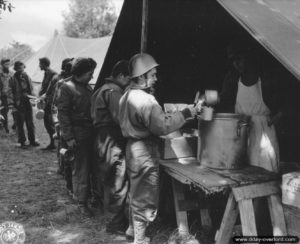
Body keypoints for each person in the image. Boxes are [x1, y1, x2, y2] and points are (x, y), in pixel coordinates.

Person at [119, 53, 201, 244]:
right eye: (153, 74)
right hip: (145, 151)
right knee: (146, 196)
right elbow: (161, 127)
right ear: (141, 77)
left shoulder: (126, 95)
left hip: (132, 148)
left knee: (136, 191)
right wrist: (186, 113)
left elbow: (142, 120)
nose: (156, 78)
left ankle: (132, 230)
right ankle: (139, 240)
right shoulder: (146, 100)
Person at [219, 43, 282, 173]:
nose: (236, 64)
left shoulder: (265, 79)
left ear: (248, 57)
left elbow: (287, 101)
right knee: (242, 173)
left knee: (265, 171)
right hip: (242, 133)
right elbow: (223, 99)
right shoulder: (233, 79)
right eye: (233, 61)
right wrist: (209, 97)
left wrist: (278, 116)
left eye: (239, 59)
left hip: (263, 133)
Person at [91, 60, 130, 234]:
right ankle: (115, 225)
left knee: (109, 180)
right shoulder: (113, 92)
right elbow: (120, 119)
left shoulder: (102, 88)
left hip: (102, 139)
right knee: (117, 181)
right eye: (129, 78)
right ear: (121, 75)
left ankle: (110, 217)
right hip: (112, 139)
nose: (130, 82)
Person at [57, 57, 97, 217]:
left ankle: (92, 197)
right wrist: (69, 138)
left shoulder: (86, 87)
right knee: (81, 169)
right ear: (80, 73)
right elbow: (63, 114)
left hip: (90, 132)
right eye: (90, 73)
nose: (92, 77)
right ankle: (81, 202)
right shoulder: (66, 87)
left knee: (91, 168)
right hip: (77, 134)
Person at [7, 61, 39, 148]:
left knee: (30, 122)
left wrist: (34, 98)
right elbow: (9, 93)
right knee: (20, 123)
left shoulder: (27, 76)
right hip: (18, 103)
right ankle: (22, 141)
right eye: (19, 68)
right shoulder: (12, 79)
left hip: (27, 102)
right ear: (16, 69)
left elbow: (31, 88)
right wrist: (12, 105)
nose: (21, 69)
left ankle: (32, 140)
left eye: (22, 67)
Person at [39, 57, 57, 150]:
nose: (39, 66)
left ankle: (54, 144)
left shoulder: (52, 74)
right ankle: (52, 143)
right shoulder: (47, 73)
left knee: (50, 123)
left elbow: (52, 90)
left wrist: (46, 99)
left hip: (49, 103)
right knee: (47, 123)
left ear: (44, 64)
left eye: (40, 64)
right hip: (45, 101)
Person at [0, 58, 14, 133]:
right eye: (6, 64)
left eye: (9, 64)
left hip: (12, 96)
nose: (8, 66)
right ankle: (6, 128)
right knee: (4, 112)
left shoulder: (12, 73)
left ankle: (16, 126)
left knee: (15, 111)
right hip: (3, 96)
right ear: (1, 65)